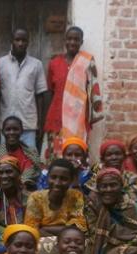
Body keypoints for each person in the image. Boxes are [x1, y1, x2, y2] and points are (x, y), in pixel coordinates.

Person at [44, 26, 103, 159]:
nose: (72, 42)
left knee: (77, 158)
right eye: (69, 39)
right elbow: (50, 92)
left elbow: (93, 89)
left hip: (78, 120)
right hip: (57, 118)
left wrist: (91, 115)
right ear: (65, 40)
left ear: (81, 42)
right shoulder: (54, 63)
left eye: (76, 39)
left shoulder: (87, 61)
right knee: (56, 158)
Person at [25, 159, 87, 254]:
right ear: (47, 177)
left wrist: (44, 228)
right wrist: (65, 229)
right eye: (53, 177)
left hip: (69, 243)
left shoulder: (76, 196)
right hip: (43, 243)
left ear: (71, 180)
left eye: (63, 179)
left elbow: (78, 227)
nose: (57, 183)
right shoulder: (36, 197)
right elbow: (31, 230)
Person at [0, 28, 47, 150]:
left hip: (28, 124)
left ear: (28, 42)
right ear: (11, 41)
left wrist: (40, 123)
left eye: (24, 40)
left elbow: (40, 95)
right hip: (6, 125)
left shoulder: (36, 64)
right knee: (5, 158)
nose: (20, 43)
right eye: (17, 40)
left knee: (30, 157)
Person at [86, 167, 137, 254]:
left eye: (113, 185)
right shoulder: (93, 205)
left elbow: (135, 235)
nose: (109, 190)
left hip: (124, 250)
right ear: (98, 188)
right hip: (96, 249)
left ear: (121, 186)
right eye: (104, 186)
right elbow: (92, 233)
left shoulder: (130, 206)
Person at [0, 116, 42, 189]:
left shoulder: (32, 153)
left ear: (21, 131)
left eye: (15, 129)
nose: (12, 132)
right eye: (8, 129)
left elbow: (35, 174)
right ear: (3, 132)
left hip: (28, 190)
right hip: (2, 191)